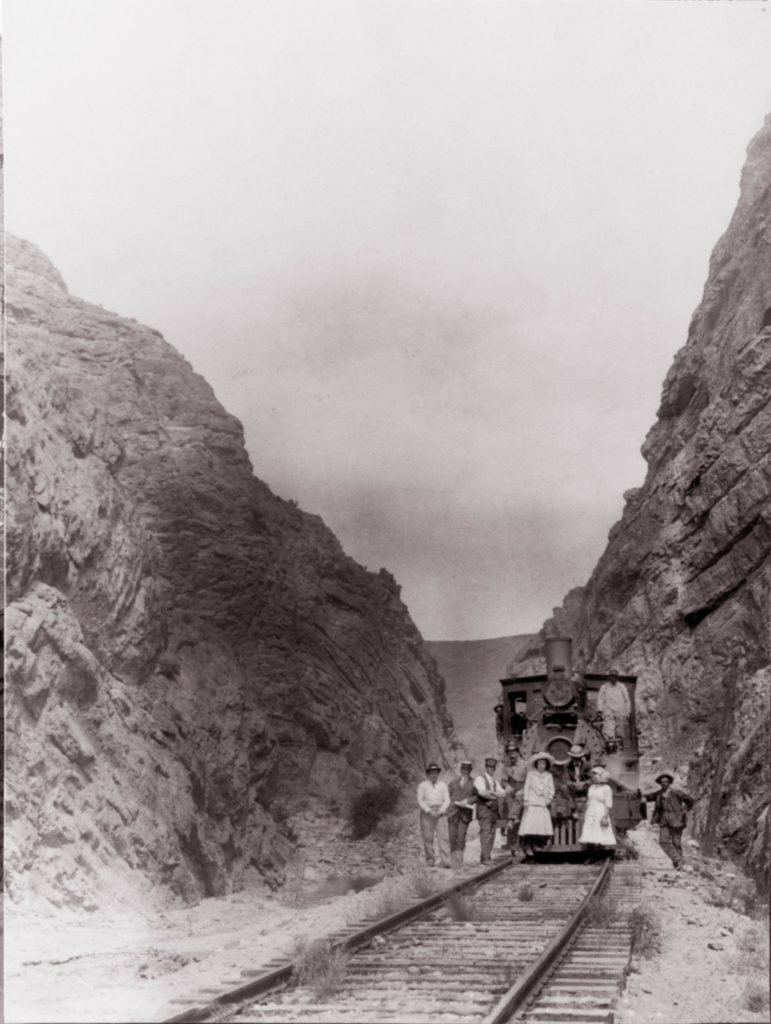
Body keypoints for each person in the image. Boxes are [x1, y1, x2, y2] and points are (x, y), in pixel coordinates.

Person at [645, 772, 694, 869]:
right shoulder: (658, 794)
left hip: (676, 820)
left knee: (676, 843)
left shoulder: (676, 792)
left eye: (666, 781)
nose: (664, 783)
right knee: (663, 841)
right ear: (659, 783)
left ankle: (678, 865)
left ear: (669, 783)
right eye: (662, 782)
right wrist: (639, 795)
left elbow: (690, 800)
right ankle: (677, 859)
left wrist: (684, 811)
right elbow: (648, 797)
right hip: (664, 821)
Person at [519, 752, 555, 857]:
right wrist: (526, 799)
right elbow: (527, 787)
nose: (541, 766)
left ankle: (537, 844)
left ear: (546, 765)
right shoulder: (531, 775)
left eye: (543, 764)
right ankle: (528, 845)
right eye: (539, 764)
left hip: (542, 803)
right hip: (532, 802)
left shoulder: (549, 776)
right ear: (536, 764)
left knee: (541, 826)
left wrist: (549, 798)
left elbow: (551, 789)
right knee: (530, 825)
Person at [416, 763, 452, 868]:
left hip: (441, 813)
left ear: (438, 773)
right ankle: (430, 861)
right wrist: (428, 810)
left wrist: (441, 811)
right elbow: (420, 800)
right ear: (428, 773)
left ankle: (446, 862)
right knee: (428, 838)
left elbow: (447, 800)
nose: (434, 775)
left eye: (436, 772)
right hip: (427, 813)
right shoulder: (422, 785)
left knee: (443, 837)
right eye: (432, 772)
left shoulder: (443, 785)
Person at [474, 756, 506, 864]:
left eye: (493, 767)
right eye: (489, 767)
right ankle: (484, 858)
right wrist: (495, 795)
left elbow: (503, 793)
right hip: (484, 810)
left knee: (492, 833)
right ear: (486, 767)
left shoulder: (494, 781)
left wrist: (492, 794)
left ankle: (488, 856)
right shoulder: (480, 779)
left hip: (493, 811)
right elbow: (482, 792)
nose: (491, 769)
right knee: (485, 833)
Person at [579, 766, 616, 857]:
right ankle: (591, 856)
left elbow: (608, 803)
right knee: (590, 833)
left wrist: (605, 816)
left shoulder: (606, 788)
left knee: (600, 833)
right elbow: (589, 800)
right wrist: (584, 811)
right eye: (592, 776)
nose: (593, 777)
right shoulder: (591, 787)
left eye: (595, 775)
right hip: (591, 811)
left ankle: (600, 855)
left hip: (600, 811)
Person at [447, 760, 477, 867]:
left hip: (465, 814)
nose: (465, 771)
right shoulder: (453, 782)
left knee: (461, 836)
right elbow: (447, 796)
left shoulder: (474, 783)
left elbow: (477, 796)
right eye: (463, 769)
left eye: (467, 769)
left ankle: (459, 861)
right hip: (452, 813)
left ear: (470, 770)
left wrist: (468, 801)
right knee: (452, 836)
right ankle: (453, 860)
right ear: (461, 770)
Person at [502, 742, 527, 849]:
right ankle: (513, 819)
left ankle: (511, 819)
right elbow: (503, 781)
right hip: (512, 788)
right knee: (507, 794)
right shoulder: (506, 767)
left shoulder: (525, 764)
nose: (512, 755)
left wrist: (523, 789)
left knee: (519, 796)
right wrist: (507, 786)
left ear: (518, 752)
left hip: (523, 788)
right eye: (509, 753)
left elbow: (529, 779)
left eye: (513, 752)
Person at [596, 670, 631, 748]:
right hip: (609, 714)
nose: (613, 678)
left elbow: (627, 700)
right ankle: (610, 750)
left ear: (617, 677)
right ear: (609, 677)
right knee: (608, 734)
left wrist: (628, 712)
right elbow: (600, 700)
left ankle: (619, 750)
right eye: (611, 676)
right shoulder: (604, 687)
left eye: (615, 676)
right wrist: (600, 711)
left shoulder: (622, 687)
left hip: (620, 714)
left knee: (620, 734)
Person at [565, 744, 591, 820]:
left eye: (578, 758)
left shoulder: (587, 765)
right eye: (574, 758)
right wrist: (573, 784)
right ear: (571, 757)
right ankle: (573, 810)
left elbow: (591, 779)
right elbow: (566, 779)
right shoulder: (567, 766)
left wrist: (584, 783)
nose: (576, 760)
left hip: (585, 788)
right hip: (573, 789)